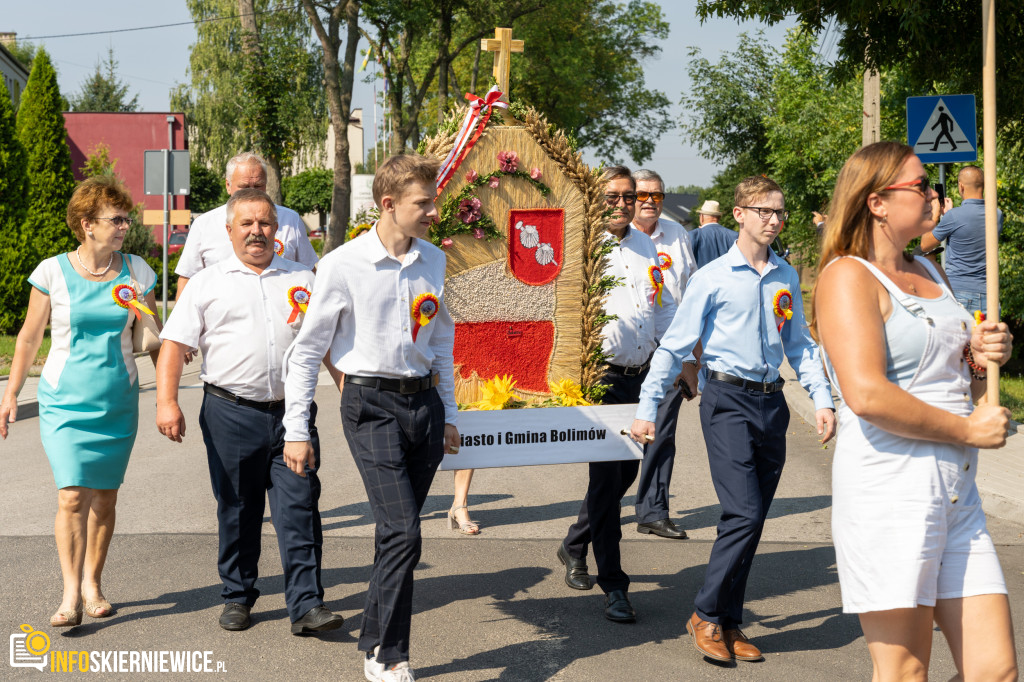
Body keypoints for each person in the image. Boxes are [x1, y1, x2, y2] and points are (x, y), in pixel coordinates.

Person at [811, 141, 1017, 681]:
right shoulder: (846, 277)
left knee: (995, 671)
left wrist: (984, 357)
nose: (934, 194)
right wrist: (967, 429)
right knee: (905, 672)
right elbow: (866, 395)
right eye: (921, 185)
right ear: (877, 201)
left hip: (957, 496)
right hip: (891, 492)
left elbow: (963, 381)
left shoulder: (930, 266)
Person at [630, 175, 837, 663]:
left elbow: (801, 345)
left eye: (780, 212)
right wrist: (645, 409)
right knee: (742, 512)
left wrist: (823, 399)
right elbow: (674, 347)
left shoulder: (785, 274)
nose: (774, 219)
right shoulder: (712, 278)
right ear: (739, 214)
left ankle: (729, 619)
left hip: (772, 404)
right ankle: (704, 613)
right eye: (764, 210)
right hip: (726, 399)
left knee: (754, 519)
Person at [282, 154, 460, 682]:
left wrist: (448, 411)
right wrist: (296, 431)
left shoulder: (434, 260)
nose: (433, 210)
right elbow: (307, 352)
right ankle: (388, 653)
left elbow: (442, 340)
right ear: (388, 205)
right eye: (422, 203)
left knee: (394, 534)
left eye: (432, 200)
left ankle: (375, 639)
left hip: (423, 407)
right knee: (405, 531)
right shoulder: (342, 264)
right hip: (370, 407)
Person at [155, 188, 344, 636]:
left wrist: (347, 387)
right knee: (238, 508)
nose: (256, 232)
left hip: (293, 415)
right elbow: (174, 345)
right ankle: (238, 596)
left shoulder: (304, 278)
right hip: (230, 412)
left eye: (265, 223)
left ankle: (306, 605)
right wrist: (166, 402)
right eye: (247, 224)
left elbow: (330, 345)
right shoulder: (207, 281)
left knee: (299, 507)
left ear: (277, 230)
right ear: (229, 230)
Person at [0, 176, 160, 627]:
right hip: (63, 402)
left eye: (127, 218)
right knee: (72, 496)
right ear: (88, 224)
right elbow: (30, 338)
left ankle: (93, 584)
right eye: (117, 219)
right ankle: (70, 592)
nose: (125, 226)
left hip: (117, 401)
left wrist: (169, 366)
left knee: (105, 499)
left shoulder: (137, 272)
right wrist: (11, 393)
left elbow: (149, 334)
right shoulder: (51, 271)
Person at [557, 165, 678, 624]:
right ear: (595, 198)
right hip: (599, 379)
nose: (623, 204)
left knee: (626, 475)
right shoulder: (581, 246)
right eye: (613, 196)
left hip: (642, 378)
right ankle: (615, 585)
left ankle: (574, 542)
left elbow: (662, 309)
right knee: (608, 483)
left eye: (629, 197)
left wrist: (679, 364)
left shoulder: (648, 247)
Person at [630, 168, 696, 540]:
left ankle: (653, 510)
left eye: (657, 195)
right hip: (625, 357)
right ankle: (595, 517)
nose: (651, 202)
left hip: (668, 355)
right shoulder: (615, 238)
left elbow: (691, 298)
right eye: (643, 195)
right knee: (621, 441)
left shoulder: (678, 235)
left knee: (662, 434)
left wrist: (692, 360)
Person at [175, 151, 319, 297]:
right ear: (228, 185)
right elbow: (187, 279)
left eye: (258, 186)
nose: (252, 192)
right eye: (244, 187)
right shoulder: (204, 225)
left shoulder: (290, 220)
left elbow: (308, 270)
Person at [919, 165, 1004, 313]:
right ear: (983, 186)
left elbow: (925, 245)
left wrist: (935, 215)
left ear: (961, 186)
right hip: (989, 294)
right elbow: (970, 230)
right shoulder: (996, 215)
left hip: (960, 293)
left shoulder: (954, 217)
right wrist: (950, 214)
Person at [688, 199, 737, 268]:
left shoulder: (693, 235)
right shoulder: (735, 235)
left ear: (701, 217)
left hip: (701, 278)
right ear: (719, 217)